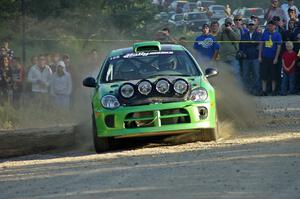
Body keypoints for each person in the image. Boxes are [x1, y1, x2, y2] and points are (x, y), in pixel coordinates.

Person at [259, 20, 282, 96]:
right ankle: (263, 91)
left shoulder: (278, 35)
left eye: (272, 25)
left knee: (273, 75)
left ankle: (273, 91)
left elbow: (279, 47)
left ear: (275, 26)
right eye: (269, 25)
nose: (270, 27)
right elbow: (261, 45)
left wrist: (276, 58)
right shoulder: (265, 34)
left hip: (273, 58)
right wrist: (260, 56)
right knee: (264, 75)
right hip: (265, 57)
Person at [240, 20, 263, 95]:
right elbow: (242, 46)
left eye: (252, 25)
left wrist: (253, 45)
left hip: (255, 57)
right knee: (245, 75)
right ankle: (247, 91)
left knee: (256, 75)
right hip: (246, 58)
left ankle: (256, 91)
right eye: (250, 25)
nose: (251, 26)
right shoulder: (244, 35)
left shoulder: (259, 34)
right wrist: (243, 53)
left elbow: (259, 45)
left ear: (255, 26)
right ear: (247, 26)